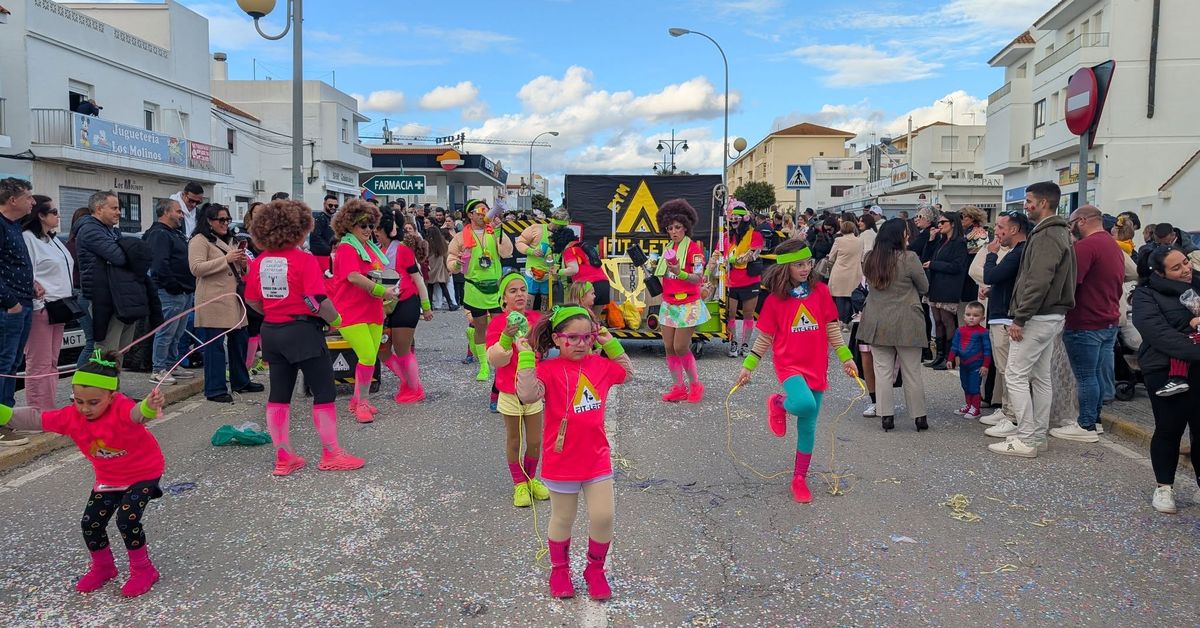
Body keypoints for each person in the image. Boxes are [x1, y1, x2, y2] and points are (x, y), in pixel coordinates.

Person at [0, 351, 166, 596]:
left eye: (93, 402)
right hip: (109, 478)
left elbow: (137, 414)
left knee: (126, 519)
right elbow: (36, 418)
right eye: (78, 401)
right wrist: (4, 413)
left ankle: (144, 570)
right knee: (90, 523)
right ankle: (104, 567)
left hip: (144, 472)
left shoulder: (122, 407)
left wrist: (149, 407)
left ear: (111, 396)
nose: (84, 408)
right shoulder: (71, 416)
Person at [516, 306, 631, 600]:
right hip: (562, 460)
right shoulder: (548, 370)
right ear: (557, 339)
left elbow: (627, 373)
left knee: (604, 516)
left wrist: (611, 344)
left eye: (587, 337)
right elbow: (527, 395)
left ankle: (595, 571)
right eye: (573, 338)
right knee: (563, 518)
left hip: (596, 458)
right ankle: (559, 570)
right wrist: (526, 357)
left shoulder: (601, 365)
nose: (581, 343)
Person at [243, 199, 364, 476]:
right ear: (298, 229)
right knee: (324, 391)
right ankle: (331, 453)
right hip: (303, 331)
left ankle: (284, 457)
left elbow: (252, 300)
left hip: (272, 331)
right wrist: (336, 320)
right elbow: (316, 300)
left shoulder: (260, 261)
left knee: (279, 394)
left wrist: (275, 310)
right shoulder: (303, 260)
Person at [734, 240, 858, 501]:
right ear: (785, 268)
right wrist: (748, 366)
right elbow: (765, 337)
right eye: (798, 264)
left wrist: (846, 358)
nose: (805, 269)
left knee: (808, 425)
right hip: (788, 364)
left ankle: (799, 478)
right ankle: (778, 403)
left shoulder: (821, 292)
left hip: (816, 365)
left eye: (808, 263)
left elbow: (831, 327)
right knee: (804, 404)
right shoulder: (774, 301)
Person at [987, 181, 1075, 458]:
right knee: (1040, 377)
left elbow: (1039, 280)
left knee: (1016, 375)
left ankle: (1026, 437)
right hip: (1049, 315)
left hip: (1037, 316)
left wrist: (1020, 318)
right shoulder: (1057, 232)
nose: (1025, 206)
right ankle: (1036, 435)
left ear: (1043, 203)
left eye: (1028, 201)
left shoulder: (1047, 235)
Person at [1130, 246, 1200, 513]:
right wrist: (1192, 342)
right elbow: (1157, 333)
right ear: (1160, 273)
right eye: (1176, 267)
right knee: (1169, 428)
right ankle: (1164, 487)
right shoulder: (1146, 295)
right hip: (1164, 368)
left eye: (1185, 262)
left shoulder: (1197, 283)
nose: (1186, 270)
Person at [1052, 204, 1125, 443]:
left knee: (1085, 376)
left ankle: (1086, 425)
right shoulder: (1112, 245)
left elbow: (1071, 283)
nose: (1070, 227)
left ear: (1082, 221)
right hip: (1108, 319)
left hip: (1086, 320)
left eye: (1072, 222)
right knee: (1096, 375)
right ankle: (1095, 420)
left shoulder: (1086, 247)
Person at [857, 219, 930, 432]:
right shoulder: (910, 258)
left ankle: (886, 415)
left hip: (877, 320)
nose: (908, 235)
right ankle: (919, 416)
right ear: (900, 236)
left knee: (882, 370)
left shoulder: (870, 258)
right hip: (908, 319)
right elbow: (924, 286)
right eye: (906, 232)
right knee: (912, 371)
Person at [329, 199, 396, 423]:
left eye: (371, 225)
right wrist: (382, 291)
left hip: (372, 309)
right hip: (350, 311)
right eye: (362, 225)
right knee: (367, 355)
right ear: (349, 225)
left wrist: (387, 292)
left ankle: (357, 400)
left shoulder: (369, 247)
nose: (368, 229)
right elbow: (353, 276)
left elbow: (375, 274)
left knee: (369, 357)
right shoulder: (347, 247)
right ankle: (362, 403)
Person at [485, 273, 549, 507]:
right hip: (509, 392)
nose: (520, 294)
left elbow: (547, 347)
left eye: (523, 289)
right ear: (503, 298)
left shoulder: (536, 319)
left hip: (532, 390)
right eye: (513, 291)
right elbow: (495, 360)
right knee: (514, 440)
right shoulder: (498, 323)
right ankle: (519, 484)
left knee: (535, 441)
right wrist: (506, 338)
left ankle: (531, 479)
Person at [188, 203, 262, 403]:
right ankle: (215, 388)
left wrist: (242, 264)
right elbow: (196, 268)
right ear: (208, 221)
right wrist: (227, 259)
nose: (225, 223)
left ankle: (241, 381)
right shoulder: (199, 240)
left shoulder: (230, 239)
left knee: (239, 342)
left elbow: (242, 271)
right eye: (221, 220)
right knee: (215, 347)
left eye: (227, 219)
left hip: (233, 299)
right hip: (214, 300)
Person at [448, 199, 513, 382]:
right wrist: (456, 264)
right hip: (474, 287)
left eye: (486, 210)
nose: (483, 214)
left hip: (496, 287)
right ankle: (484, 365)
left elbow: (507, 252)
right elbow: (451, 258)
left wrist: (499, 230)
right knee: (480, 326)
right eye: (479, 211)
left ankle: (500, 360)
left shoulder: (493, 232)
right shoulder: (460, 237)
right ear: (470, 215)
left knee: (500, 325)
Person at [21, 195, 75, 412]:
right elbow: (27, 271)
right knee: (39, 363)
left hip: (60, 306)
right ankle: (38, 411)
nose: (58, 216)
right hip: (41, 307)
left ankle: (48, 409)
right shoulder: (28, 239)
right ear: (41, 215)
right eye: (53, 212)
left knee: (52, 361)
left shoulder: (52, 239)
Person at [978, 211, 1029, 429]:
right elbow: (1007, 281)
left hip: (1006, 319)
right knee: (1005, 368)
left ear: (1014, 229)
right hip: (1002, 315)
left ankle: (1012, 414)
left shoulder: (1018, 252)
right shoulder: (1018, 252)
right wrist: (993, 290)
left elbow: (991, 275)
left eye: (1000, 227)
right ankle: (1007, 409)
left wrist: (991, 255)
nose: (996, 232)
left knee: (1009, 369)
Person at [654, 199, 709, 403]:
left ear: (686, 226)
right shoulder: (668, 249)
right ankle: (678, 387)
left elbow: (698, 278)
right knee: (668, 347)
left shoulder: (695, 250)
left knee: (680, 346)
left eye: (677, 227)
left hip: (688, 303)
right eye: (670, 228)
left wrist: (680, 273)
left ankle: (695, 384)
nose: (674, 231)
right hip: (669, 303)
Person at [375, 209, 433, 404]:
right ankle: (408, 381)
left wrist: (426, 307)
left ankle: (415, 388)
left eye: (377, 229)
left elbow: (419, 279)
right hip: (384, 306)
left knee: (402, 350)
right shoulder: (377, 250)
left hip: (406, 302)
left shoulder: (403, 250)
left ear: (387, 229)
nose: (374, 232)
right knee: (382, 350)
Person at [144, 199, 196, 386]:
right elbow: (159, 264)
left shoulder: (175, 234)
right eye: (178, 211)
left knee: (178, 332)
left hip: (184, 291)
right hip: (170, 292)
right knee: (166, 331)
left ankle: (171, 364)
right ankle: (158, 369)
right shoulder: (159, 234)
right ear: (166, 212)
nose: (181, 215)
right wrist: (173, 285)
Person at [0, 177, 35, 414]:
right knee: (4, 363)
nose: (33, 202)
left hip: (23, 301)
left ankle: (6, 414)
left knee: (13, 363)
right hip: (9, 306)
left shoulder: (14, 226)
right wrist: (11, 302)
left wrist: (33, 283)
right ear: (13, 200)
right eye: (28, 197)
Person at [922, 211, 969, 370]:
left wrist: (934, 265)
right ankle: (940, 356)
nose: (940, 225)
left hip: (949, 286)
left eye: (943, 222)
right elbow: (927, 257)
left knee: (947, 320)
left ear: (953, 223)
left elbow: (957, 266)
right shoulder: (942, 241)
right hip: (936, 285)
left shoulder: (959, 242)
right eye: (939, 222)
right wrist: (931, 240)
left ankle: (950, 357)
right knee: (938, 321)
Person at [721, 202, 765, 357]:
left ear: (744, 219)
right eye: (731, 218)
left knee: (748, 314)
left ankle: (745, 344)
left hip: (750, 280)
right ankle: (733, 342)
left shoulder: (755, 234)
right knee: (731, 313)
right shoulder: (726, 236)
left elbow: (754, 253)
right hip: (731, 281)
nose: (733, 220)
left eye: (736, 218)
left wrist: (735, 259)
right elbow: (718, 253)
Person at [516, 207, 569, 312]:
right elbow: (519, 243)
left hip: (549, 274)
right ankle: (527, 320)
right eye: (560, 226)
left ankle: (543, 320)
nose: (561, 228)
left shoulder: (563, 235)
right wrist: (532, 251)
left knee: (545, 302)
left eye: (564, 226)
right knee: (529, 299)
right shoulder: (536, 229)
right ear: (554, 221)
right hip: (533, 272)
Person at [946, 301, 992, 420]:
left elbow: (987, 350)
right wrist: (950, 359)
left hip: (976, 365)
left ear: (983, 318)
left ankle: (976, 408)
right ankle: (969, 405)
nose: (971, 318)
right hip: (964, 365)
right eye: (968, 314)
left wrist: (985, 365)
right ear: (964, 316)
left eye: (976, 315)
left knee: (974, 387)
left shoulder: (984, 332)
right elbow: (954, 346)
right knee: (965, 385)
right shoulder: (960, 331)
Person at [556, 225, 610, 320]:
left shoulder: (569, 250)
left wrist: (557, 271)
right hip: (604, 284)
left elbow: (574, 269)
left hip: (587, 286)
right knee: (594, 320)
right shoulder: (584, 247)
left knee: (581, 317)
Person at [66, 206, 96, 369]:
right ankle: (79, 379)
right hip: (82, 293)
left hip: (81, 292)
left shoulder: (70, 244)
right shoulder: (76, 245)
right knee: (92, 341)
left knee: (94, 340)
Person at [827, 220, 863, 324]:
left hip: (840, 272)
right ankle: (850, 320)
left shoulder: (839, 240)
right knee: (851, 296)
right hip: (855, 272)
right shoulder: (860, 241)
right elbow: (861, 257)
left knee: (840, 298)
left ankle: (842, 322)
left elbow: (831, 257)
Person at [423, 220, 456, 311]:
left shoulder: (426, 244)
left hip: (430, 267)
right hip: (440, 267)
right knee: (443, 285)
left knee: (430, 287)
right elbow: (445, 256)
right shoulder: (441, 244)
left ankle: (430, 305)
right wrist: (448, 268)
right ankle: (450, 304)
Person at [309, 194, 339, 273]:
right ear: (324, 204)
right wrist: (330, 250)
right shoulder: (319, 218)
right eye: (330, 205)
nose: (333, 207)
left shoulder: (331, 218)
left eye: (336, 206)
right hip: (321, 257)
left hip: (328, 256)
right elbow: (316, 237)